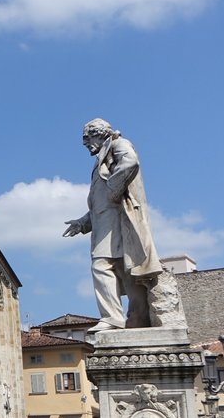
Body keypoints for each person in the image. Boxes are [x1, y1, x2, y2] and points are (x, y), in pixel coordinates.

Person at [62, 118, 162, 331]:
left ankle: (112, 317)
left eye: (88, 138)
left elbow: (131, 162)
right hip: (106, 222)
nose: (86, 144)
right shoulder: (104, 155)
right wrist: (82, 223)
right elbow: (100, 204)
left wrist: (114, 190)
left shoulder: (118, 144)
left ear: (100, 133)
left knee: (102, 265)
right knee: (125, 270)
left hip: (118, 221)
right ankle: (139, 319)